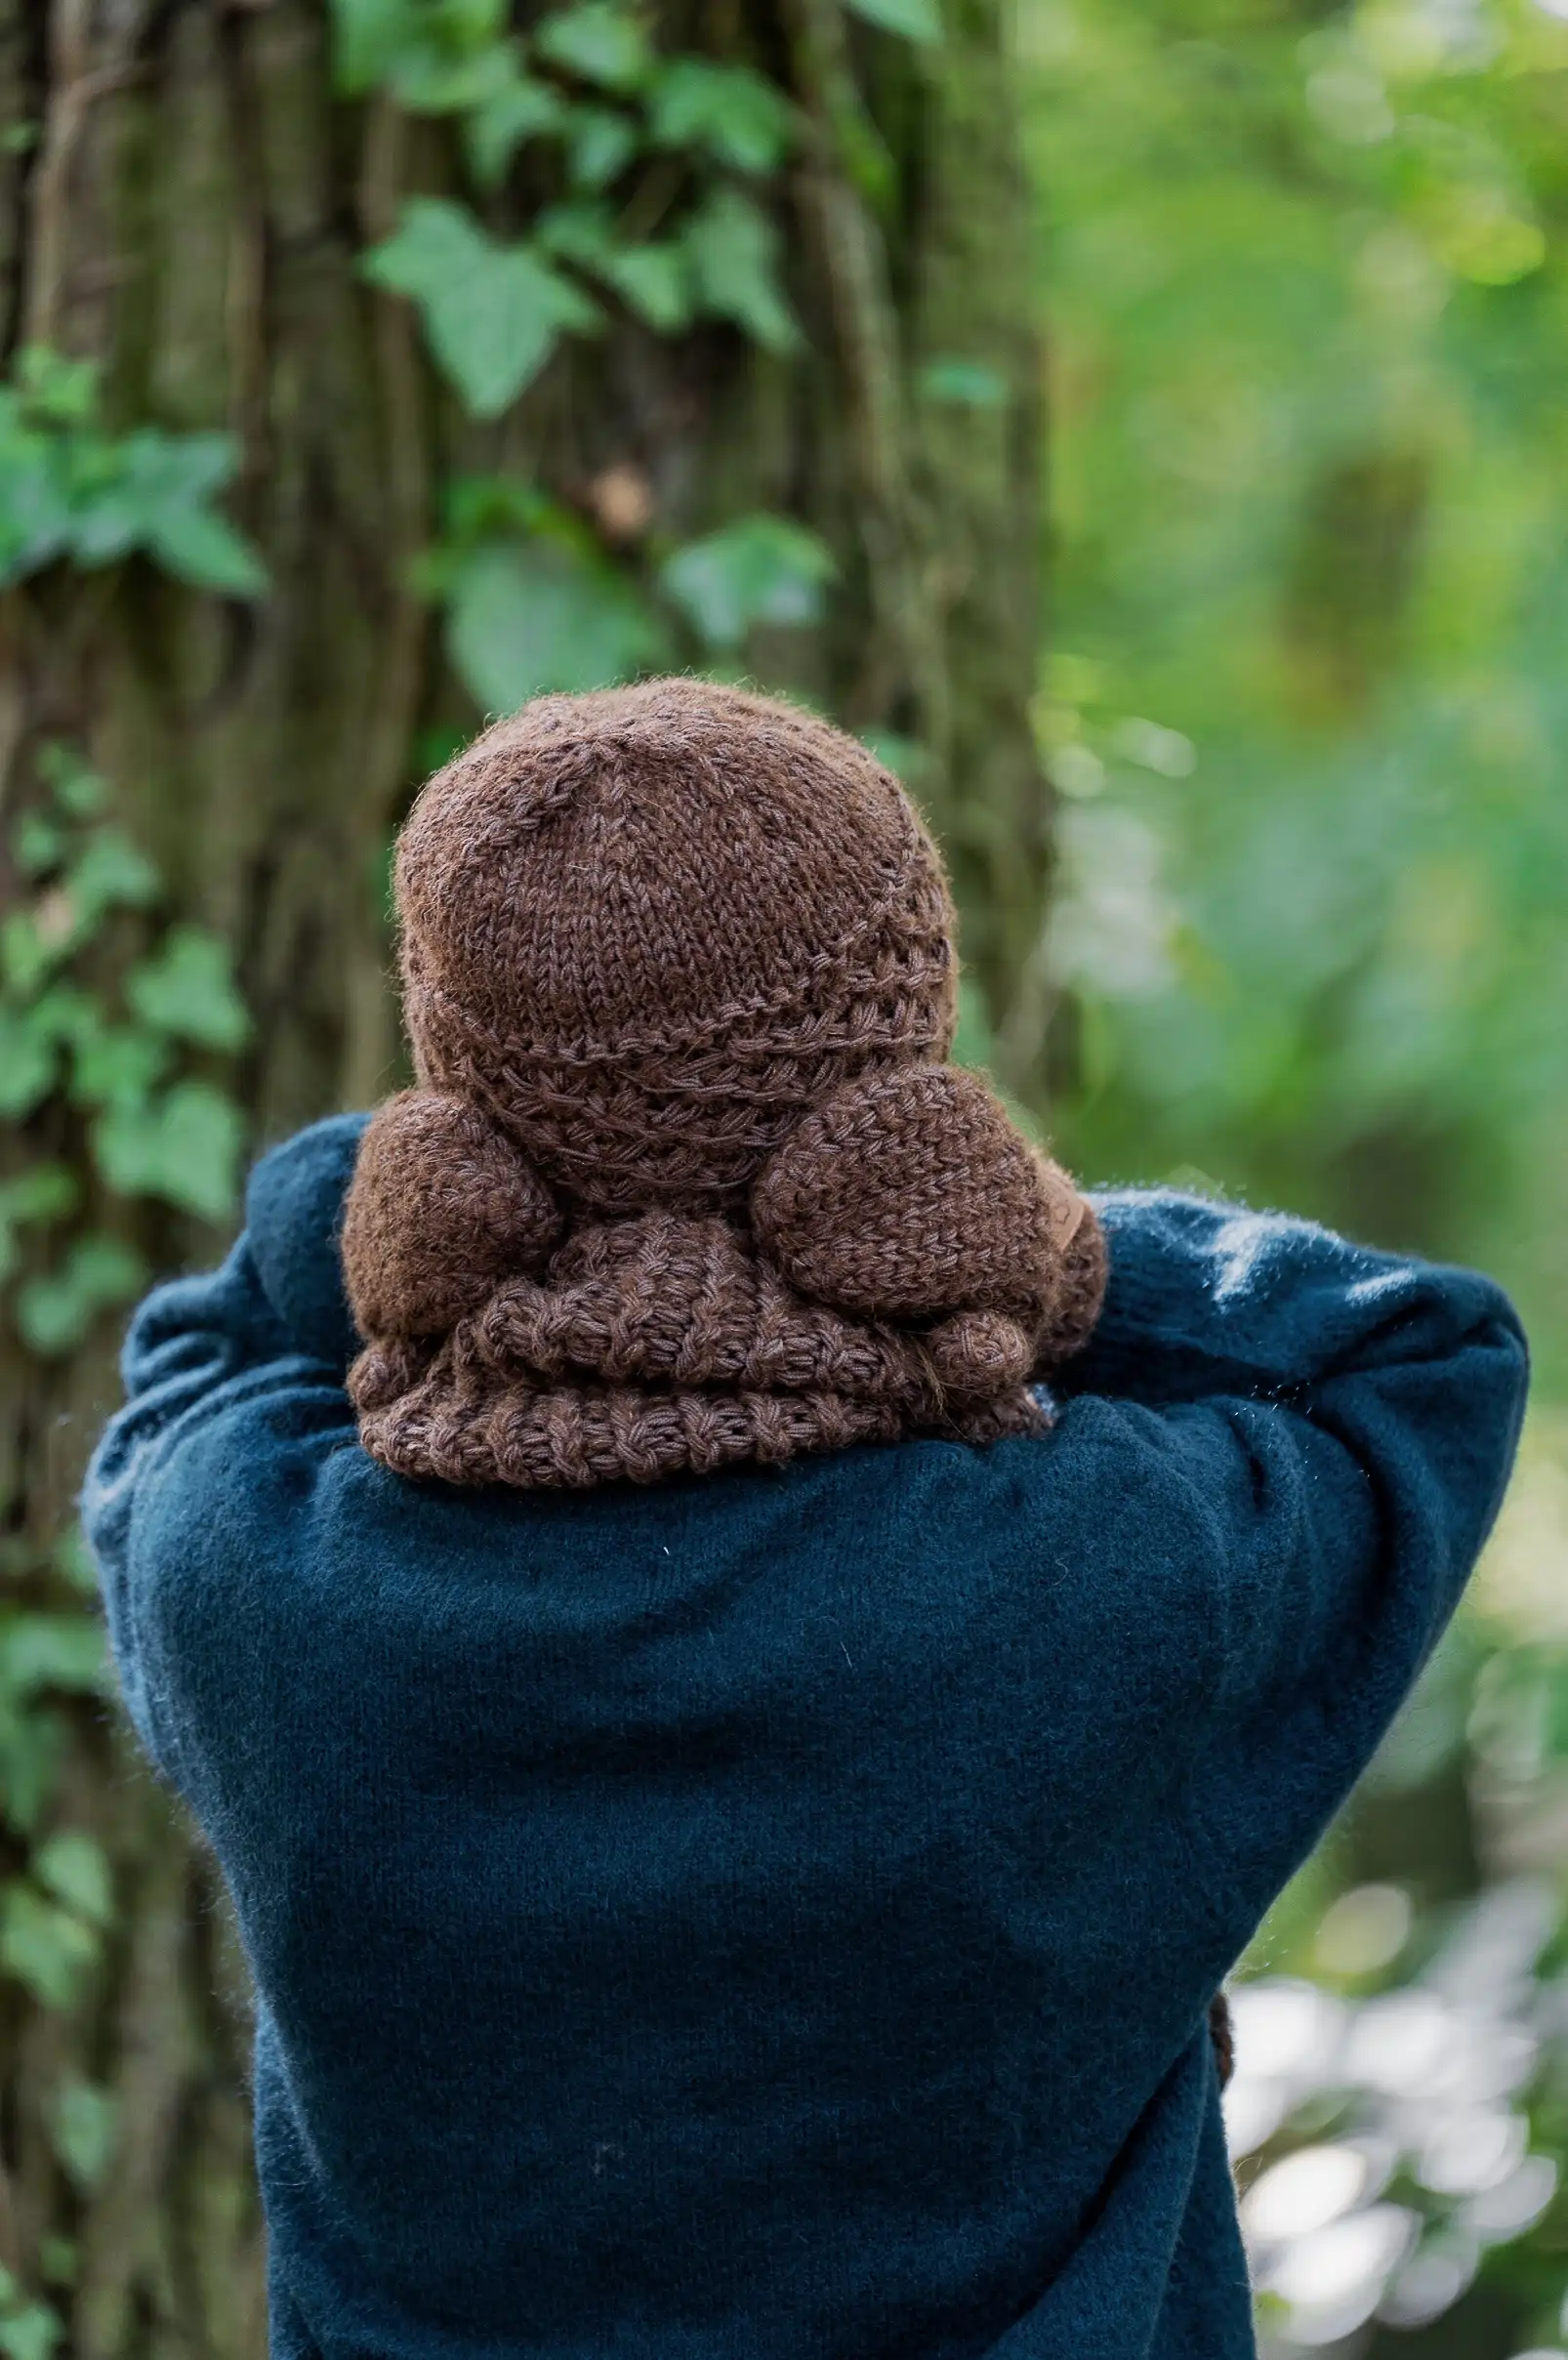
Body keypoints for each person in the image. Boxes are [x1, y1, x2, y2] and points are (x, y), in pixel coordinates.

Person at [84, 681, 1528, 2360]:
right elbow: (1414, 1357)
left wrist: (512, 1187)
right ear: (900, 1075)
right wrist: (1031, 1252)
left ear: (451, 1097)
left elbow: (218, 1335)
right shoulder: (1094, 1573)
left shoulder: (263, 1587)